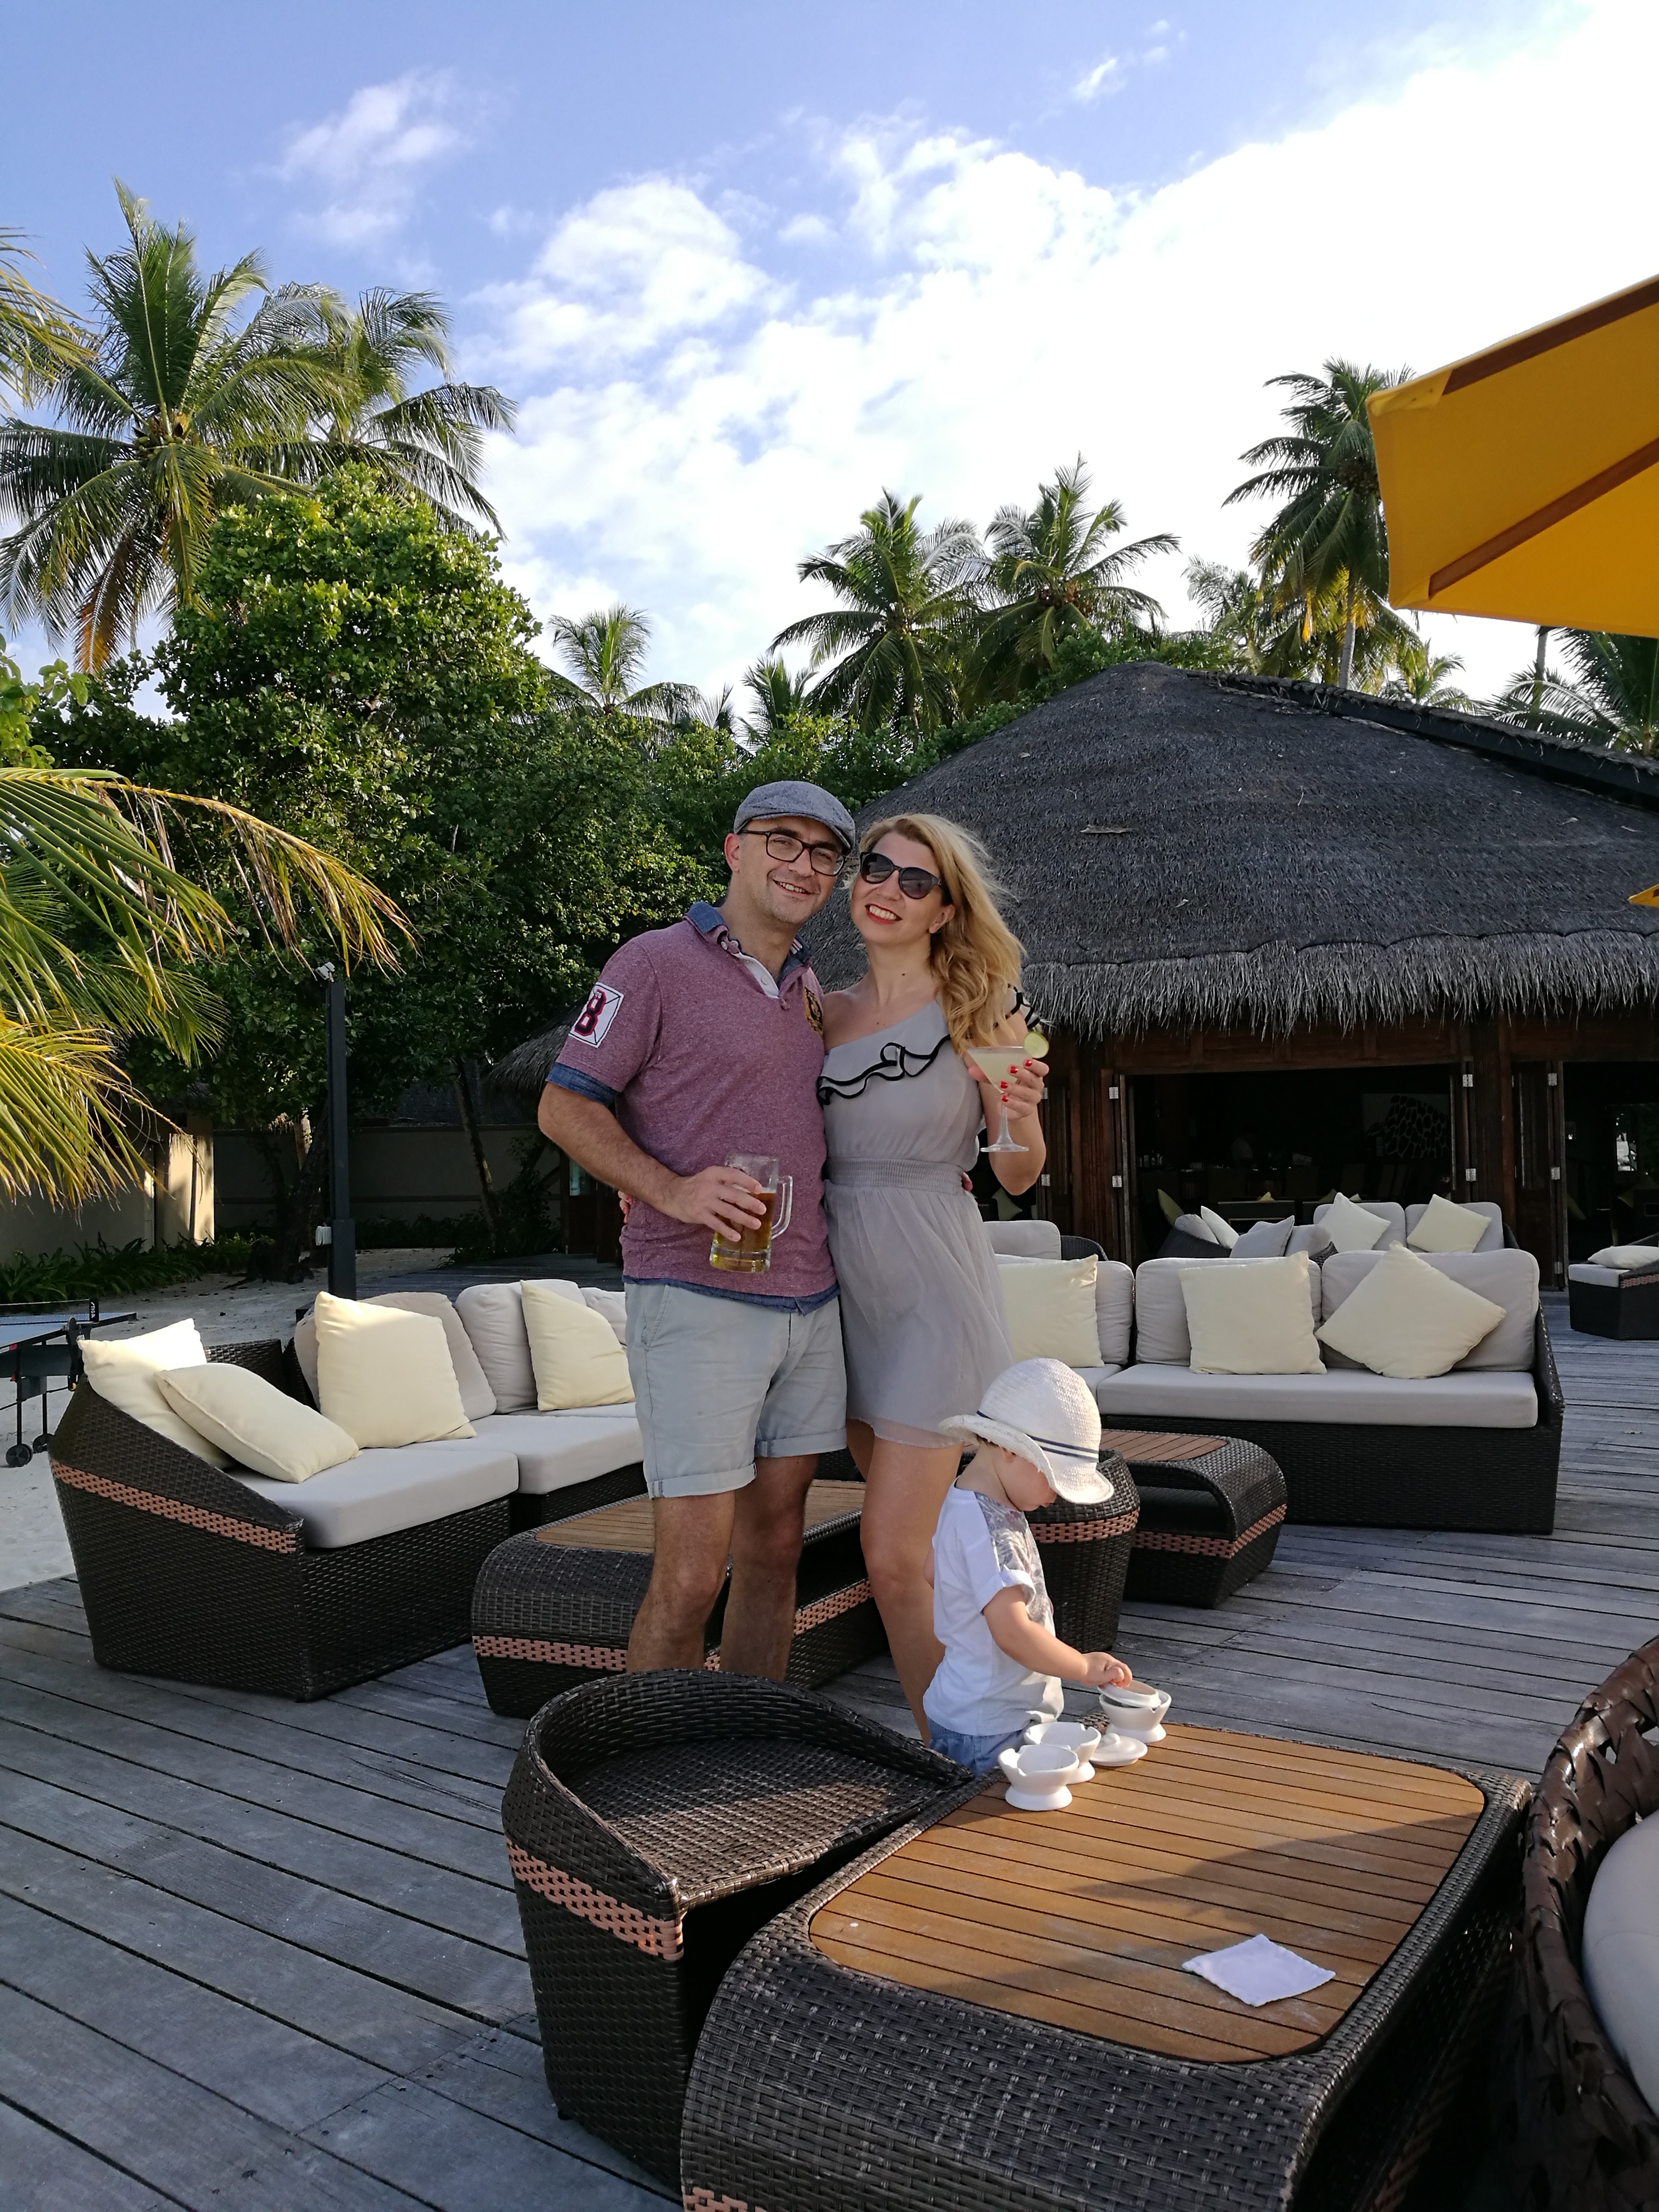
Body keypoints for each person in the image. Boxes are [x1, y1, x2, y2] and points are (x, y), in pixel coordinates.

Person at [537, 780, 856, 1679]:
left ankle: (743, 1737)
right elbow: (564, 1107)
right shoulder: (651, 964)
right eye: (782, 841)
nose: (803, 865)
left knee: (777, 1552)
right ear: (735, 849)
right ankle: (652, 1749)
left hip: (810, 1301)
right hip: (695, 1299)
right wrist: (668, 1190)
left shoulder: (810, 992)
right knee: (687, 1579)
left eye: (824, 853)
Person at [818, 811, 1047, 1732]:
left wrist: (1016, 1109)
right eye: (877, 868)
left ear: (946, 910)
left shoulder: (985, 1011)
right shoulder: (820, 1013)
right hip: (838, 1291)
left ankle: (950, 1745)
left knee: (890, 1552)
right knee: (917, 1551)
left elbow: (1019, 1174)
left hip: (931, 1286)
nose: (889, 889)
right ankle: (978, 1712)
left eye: (917, 882)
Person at [929, 1358, 1132, 1772]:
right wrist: (1082, 1666)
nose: (1056, 1496)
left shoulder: (963, 1499)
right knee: (1005, 1810)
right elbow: (1013, 1633)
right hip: (994, 1725)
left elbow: (932, 1572)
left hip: (972, 1709)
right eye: (1053, 1479)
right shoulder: (993, 1530)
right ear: (1010, 1449)